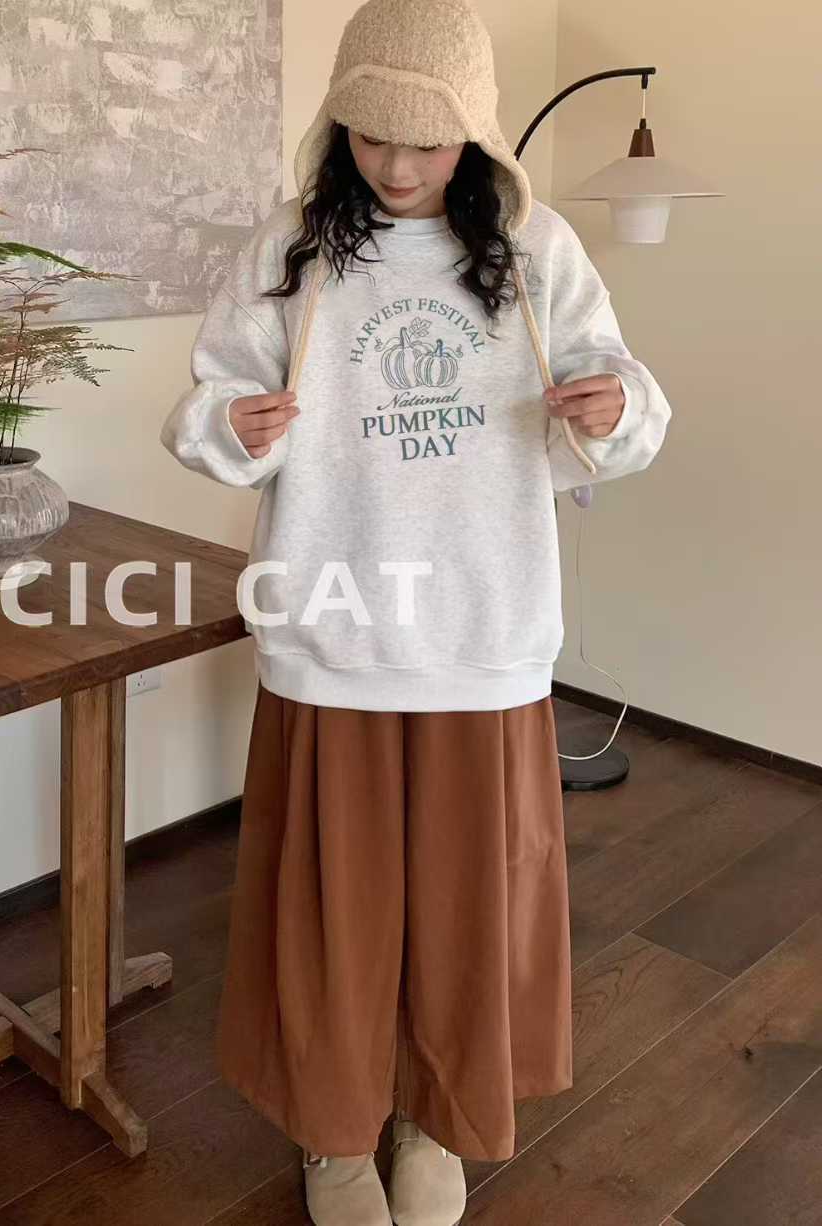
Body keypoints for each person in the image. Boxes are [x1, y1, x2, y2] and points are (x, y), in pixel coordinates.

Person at [160, 1, 672, 1221]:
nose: (396, 165)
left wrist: (614, 409)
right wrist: (229, 426)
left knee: (465, 910)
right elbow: (203, 404)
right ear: (339, 123)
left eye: (428, 141)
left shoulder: (537, 248)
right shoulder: (290, 246)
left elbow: (623, 391)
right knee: (330, 914)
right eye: (373, 134)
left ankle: (436, 1117)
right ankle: (334, 1134)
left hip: (482, 628)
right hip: (333, 622)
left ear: (476, 135)